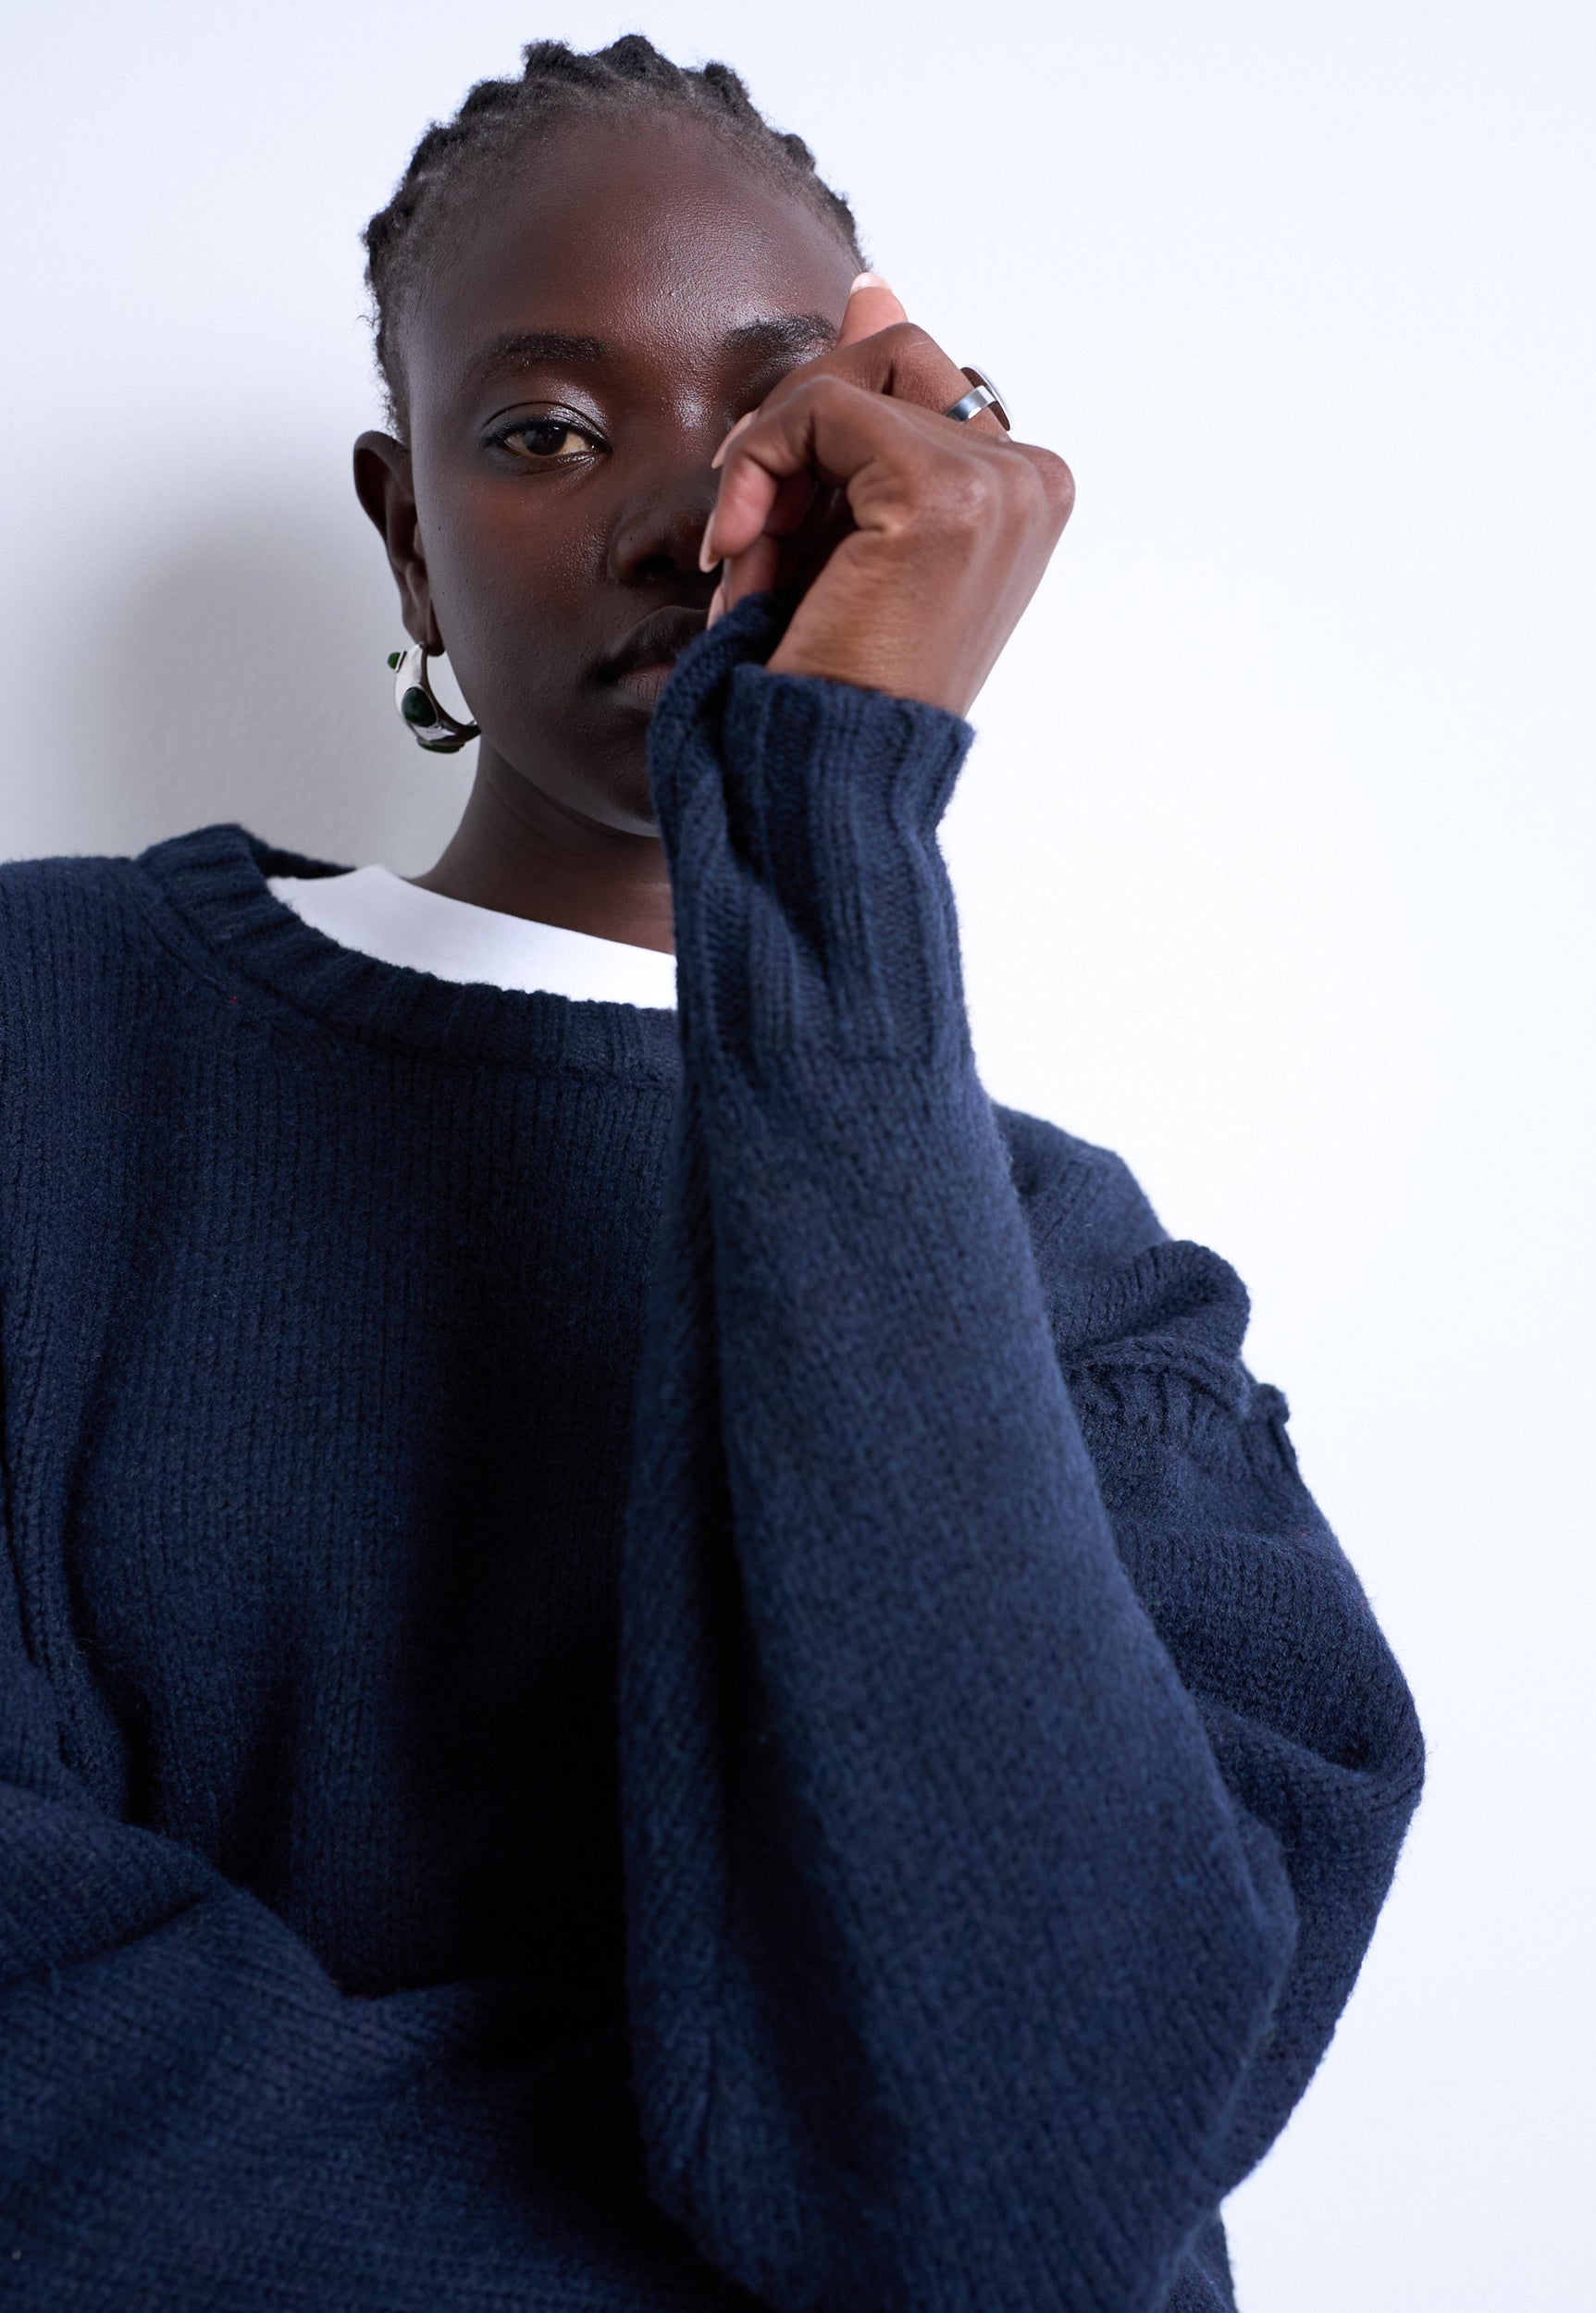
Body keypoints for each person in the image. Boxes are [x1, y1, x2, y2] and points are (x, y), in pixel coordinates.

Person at [0, 34, 1423, 2312]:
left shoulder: (1071, 1270)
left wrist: (829, 805)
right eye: (545, 433)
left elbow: (1019, 2168)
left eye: (782, 427)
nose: (688, 527)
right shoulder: (50, 1036)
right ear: (405, 528)